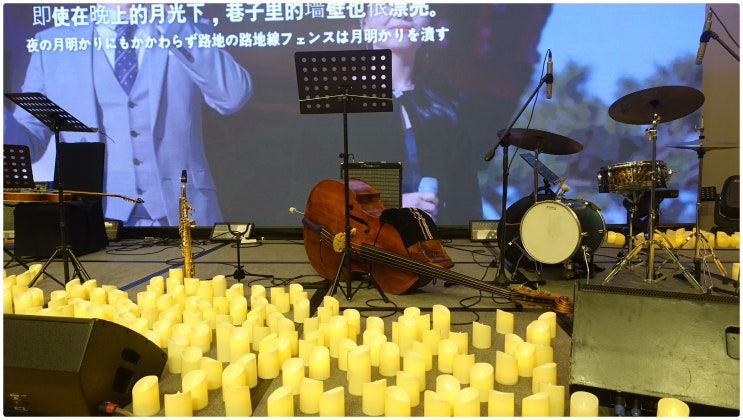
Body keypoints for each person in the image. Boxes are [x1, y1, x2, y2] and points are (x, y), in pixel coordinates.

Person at [4, 3, 252, 227]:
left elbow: (232, 96)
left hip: (185, 213)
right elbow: (28, 142)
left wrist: (169, 18)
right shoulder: (54, 43)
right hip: (94, 219)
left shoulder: (187, 29)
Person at [353, 3, 483, 225]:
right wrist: (389, 205)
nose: (402, 12)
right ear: (364, 21)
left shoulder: (448, 105)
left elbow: (466, 198)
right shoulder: (342, 101)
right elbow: (317, 187)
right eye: (387, 4)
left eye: (414, 4)